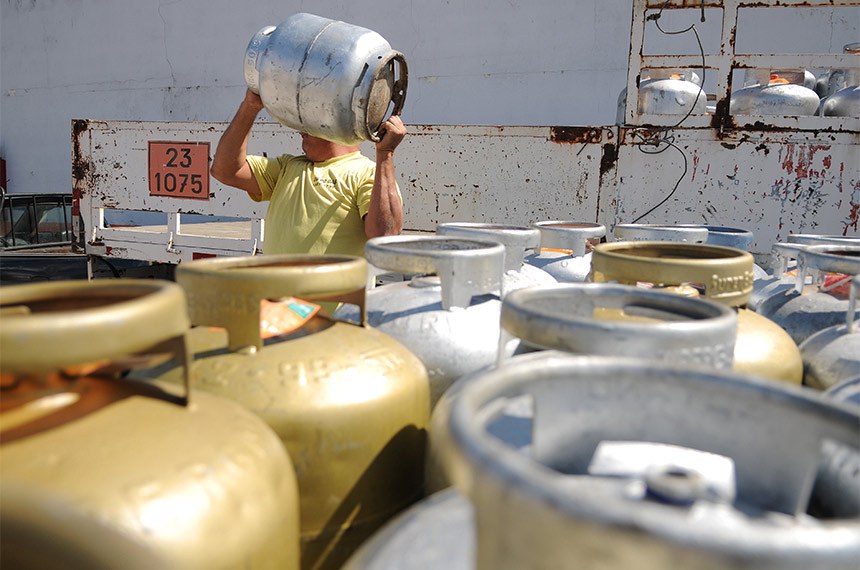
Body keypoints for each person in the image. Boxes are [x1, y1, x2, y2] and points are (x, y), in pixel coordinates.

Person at [210, 89, 406, 257]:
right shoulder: (287, 167)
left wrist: (385, 154)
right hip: (279, 302)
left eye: (310, 121)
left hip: (335, 303)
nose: (301, 130)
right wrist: (249, 107)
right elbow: (224, 170)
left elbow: (384, 238)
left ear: (336, 126)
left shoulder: (367, 173)